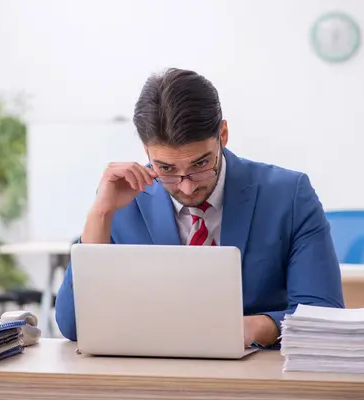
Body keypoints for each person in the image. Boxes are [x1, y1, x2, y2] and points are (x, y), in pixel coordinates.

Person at [55, 68, 344, 346]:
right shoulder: (122, 201)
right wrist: (100, 214)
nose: (186, 186)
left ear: (223, 134)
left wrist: (254, 327)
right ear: (146, 152)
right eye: (166, 168)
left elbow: (324, 314)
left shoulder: (288, 195)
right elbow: (73, 326)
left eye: (201, 164)